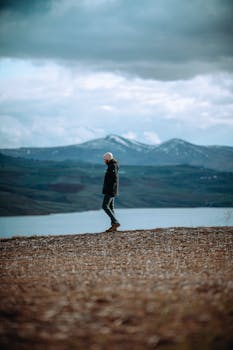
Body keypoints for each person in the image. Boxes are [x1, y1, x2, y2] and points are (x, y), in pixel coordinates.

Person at [102, 152, 120, 232]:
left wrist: (110, 190)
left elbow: (114, 179)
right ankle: (114, 226)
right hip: (111, 190)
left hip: (110, 190)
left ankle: (115, 222)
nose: (104, 161)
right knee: (111, 207)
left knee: (105, 206)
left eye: (104, 159)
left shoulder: (112, 166)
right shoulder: (112, 165)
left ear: (107, 159)